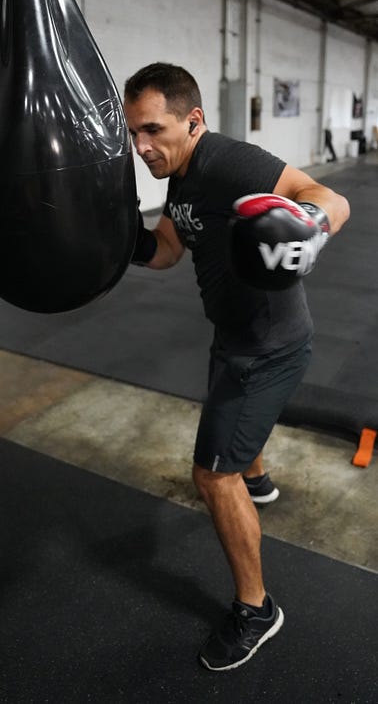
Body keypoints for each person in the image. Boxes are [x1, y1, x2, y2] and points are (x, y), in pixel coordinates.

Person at [123, 63, 350, 672]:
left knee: (210, 475)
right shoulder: (182, 173)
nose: (142, 147)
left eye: (152, 130)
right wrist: (120, 237)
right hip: (235, 335)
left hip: (267, 348)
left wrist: (308, 227)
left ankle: (256, 609)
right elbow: (170, 249)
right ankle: (258, 478)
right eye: (133, 134)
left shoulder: (229, 162)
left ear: (193, 120)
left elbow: (330, 197)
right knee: (234, 439)